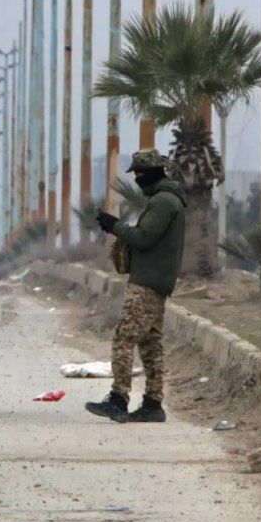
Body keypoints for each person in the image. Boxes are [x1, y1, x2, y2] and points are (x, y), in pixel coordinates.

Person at [87, 149, 187, 423]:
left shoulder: (164, 201)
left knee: (124, 339)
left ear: (153, 172)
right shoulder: (166, 198)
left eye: (140, 173)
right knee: (150, 344)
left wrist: (114, 226)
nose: (137, 179)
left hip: (147, 283)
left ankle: (118, 400)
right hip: (156, 281)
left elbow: (143, 238)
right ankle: (153, 404)